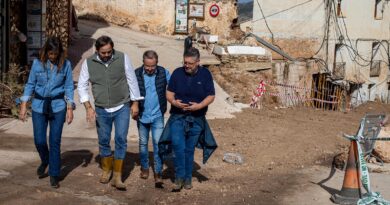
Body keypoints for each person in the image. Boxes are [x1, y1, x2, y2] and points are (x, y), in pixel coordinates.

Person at [77, 35, 142, 190]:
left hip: (122, 106)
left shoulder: (122, 58)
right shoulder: (88, 63)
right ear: (97, 50)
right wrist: (88, 107)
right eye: (103, 53)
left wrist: (135, 103)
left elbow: (132, 80)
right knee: (104, 140)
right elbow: (82, 85)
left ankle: (117, 176)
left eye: (109, 52)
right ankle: (107, 170)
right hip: (101, 108)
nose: (107, 55)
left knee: (121, 138)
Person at [19, 36, 75, 189]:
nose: (53, 57)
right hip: (39, 106)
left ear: (59, 52)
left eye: (55, 54)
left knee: (55, 142)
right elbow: (30, 84)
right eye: (50, 54)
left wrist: (70, 108)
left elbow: (69, 87)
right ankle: (45, 160)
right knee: (39, 140)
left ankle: (54, 174)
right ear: (46, 51)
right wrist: (24, 105)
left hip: (58, 106)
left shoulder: (66, 65)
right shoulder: (38, 64)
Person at [159, 47, 217, 192]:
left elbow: (211, 95)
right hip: (178, 117)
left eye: (190, 63)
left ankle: (188, 179)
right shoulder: (177, 73)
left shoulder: (205, 74)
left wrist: (199, 106)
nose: (186, 66)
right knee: (178, 148)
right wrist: (174, 103)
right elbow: (169, 93)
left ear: (198, 62)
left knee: (189, 150)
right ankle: (179, 179)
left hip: (197, 119)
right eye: (185, 62)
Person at [134, 50, 170, 188]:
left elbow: (175, 85)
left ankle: (158, 172)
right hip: (142, 115)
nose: (149, 69)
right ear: (143, 63)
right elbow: (130, 91)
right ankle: (144, 167)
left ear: (157, 63)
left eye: (152, 66)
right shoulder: (136, 74)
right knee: (143, 143)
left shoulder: (164, 73)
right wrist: (133, 106)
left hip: (157, 115)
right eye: (147, 66)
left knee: (158, 143)